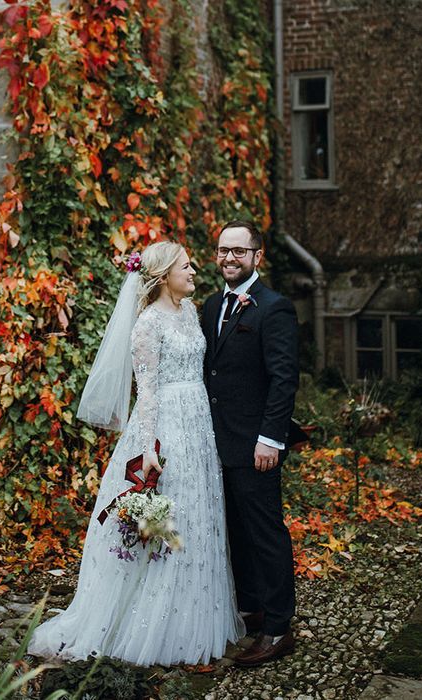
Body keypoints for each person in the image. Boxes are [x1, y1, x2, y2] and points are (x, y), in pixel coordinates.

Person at [28, 241, 245, 666]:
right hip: (167, 428)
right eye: (186, 266)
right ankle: (146, 626)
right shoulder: (147, 324)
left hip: (199, 425)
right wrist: (149, 448)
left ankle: (195, 616)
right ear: (164, 275)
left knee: (199, 515)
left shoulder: (189, 312)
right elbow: (145, 392)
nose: (195, 271)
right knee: (168, 521)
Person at [201, 220, 300, 667]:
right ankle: (254, 607)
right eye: (223, 250)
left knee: (266, 533)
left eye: (239, 251)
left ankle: (279, 627)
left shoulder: (273, 308)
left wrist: (270, 439)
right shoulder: (208, 305)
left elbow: (284, 380)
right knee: (236, 531)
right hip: (215, 443)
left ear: (257, 256)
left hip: (257, 445)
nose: (229, 258)